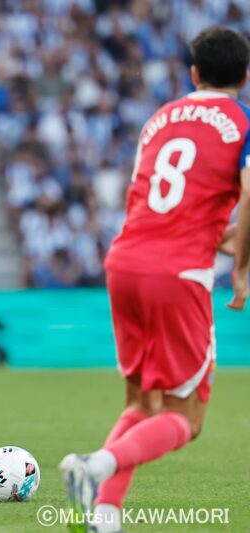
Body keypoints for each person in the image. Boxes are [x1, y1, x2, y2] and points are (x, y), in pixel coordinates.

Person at [59, 27, 250, 532]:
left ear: (194, 73)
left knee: (142, 402)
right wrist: (242, 268)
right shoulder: (242, 122)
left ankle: (104, 515)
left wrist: (221, 237)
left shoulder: (160, 119)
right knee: (186, 417)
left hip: (125, 263)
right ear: (245, 76)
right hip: (178, 273)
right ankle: (95, 465)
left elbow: (159, 203)